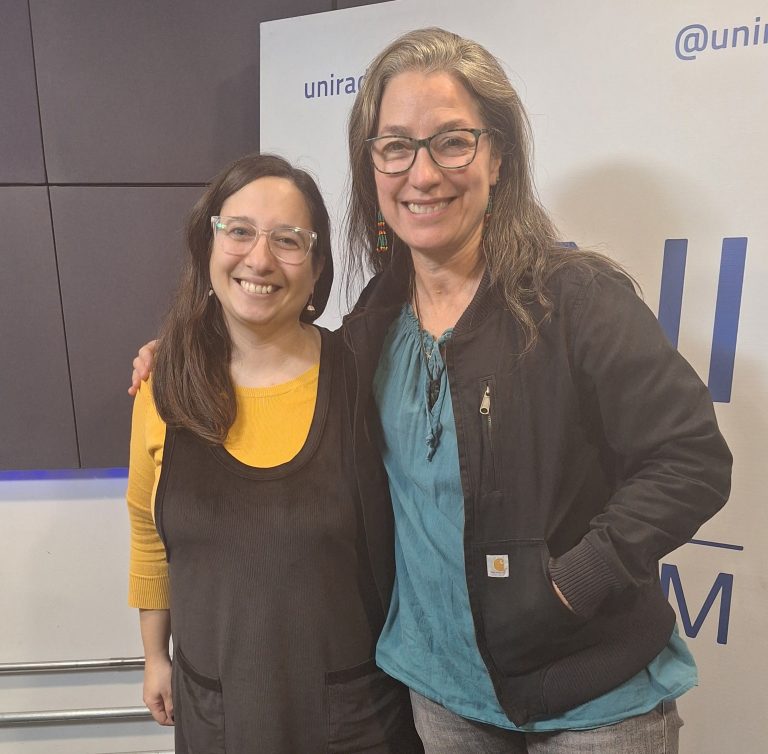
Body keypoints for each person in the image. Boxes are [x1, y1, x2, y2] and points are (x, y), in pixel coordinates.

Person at [132, 28, 732, 753]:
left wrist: (572, 583)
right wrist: (189, 350)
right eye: (396, 147)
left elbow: (692, 460)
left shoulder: (575, 300)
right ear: (373, 168)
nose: (422, 174)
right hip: (441, 704)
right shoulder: (373, 325)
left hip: (590, 704)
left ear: (498, 157)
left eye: (451, 142)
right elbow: (275, 346)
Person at [126, 153, 420, 753]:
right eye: (239, 231)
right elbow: (148, 532)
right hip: (217, 715)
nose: (259, 260)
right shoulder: (163, 387)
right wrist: (155, 656)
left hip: (355, 720)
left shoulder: (366, 374)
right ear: (207, 245)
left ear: (317, 269)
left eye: (288, 240)